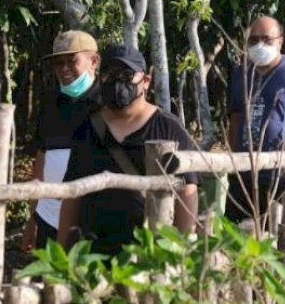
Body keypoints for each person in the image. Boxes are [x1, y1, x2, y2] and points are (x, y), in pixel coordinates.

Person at [57, 45, 199, 254]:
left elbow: (187, 192)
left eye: (126, 74)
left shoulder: (169, 127)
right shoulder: (86, 128)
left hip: (149, 254)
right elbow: (72, 197)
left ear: (146, 81)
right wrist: (61, 255)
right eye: (109, 75)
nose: (117, 81)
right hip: (92, 256)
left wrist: (181, 253)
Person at [21, 30, 101, 252]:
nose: (64, 69)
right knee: (50, 282)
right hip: (49, 216)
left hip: (92, 218)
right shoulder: (50, 104)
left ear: (93, 61)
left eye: (71, 61)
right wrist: (33, 219)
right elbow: (41, 161)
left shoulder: (106, 104)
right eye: (58, 63)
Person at [226, 16, 285, 222]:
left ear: (280, 41)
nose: (260, 45)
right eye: (253, 40)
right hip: (244, 169)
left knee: (277, 232)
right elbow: (235, 117)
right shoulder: (241, 74)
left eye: (267, 39)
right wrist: (233, 161)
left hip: (279, 171)